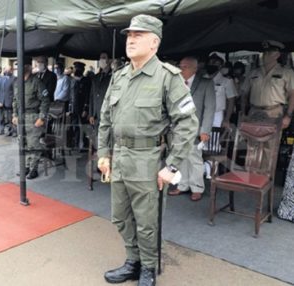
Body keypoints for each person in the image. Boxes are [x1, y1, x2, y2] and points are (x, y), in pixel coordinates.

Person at [97, 15, 198, 286]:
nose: (131, 39)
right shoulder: (118, 77)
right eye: (129, 35)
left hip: (147, 159)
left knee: (146, 221)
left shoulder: (168, 77)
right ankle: (133, 261)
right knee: (120, 216)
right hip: (119, 158)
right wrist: (103, 153)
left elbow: (188, 124)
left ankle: (148, 268)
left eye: (138, 35)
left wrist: (172, 165)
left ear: (154, 42)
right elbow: (105, 117)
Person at [168, 56, 215, 201]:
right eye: (180, 66)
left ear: (195, 68)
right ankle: (182, 185)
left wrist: (205, 130)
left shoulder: (205, 83)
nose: (181, 69)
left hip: (196, 128)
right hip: (177, 127)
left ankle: (197, 188)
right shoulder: (176, 82)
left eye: (185, 67)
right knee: (180, 157)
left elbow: (210, 108)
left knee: (194, 158)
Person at [241, 40, 294, 165]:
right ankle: (251, 177)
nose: (265, 55)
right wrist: (243, 112)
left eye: (269, 52)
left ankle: (264, 179)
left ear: (277, 55)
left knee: (269, 147)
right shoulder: (254, 72)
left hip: (274, 112)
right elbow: (244, 94)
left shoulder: (287, 73)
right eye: (264, 52)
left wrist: (288, 116)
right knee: (252, 146)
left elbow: (293, 95)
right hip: (254, 112)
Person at [12, 56, 49, 180]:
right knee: (23, 143)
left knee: (33, 144)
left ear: (28, 67)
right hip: (21, 116)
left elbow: (45, 101)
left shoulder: (36, 82)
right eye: (17, 66)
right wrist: (14, 114)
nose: (18, 68)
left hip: (33, 116)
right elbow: (15, 100)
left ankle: (34, 169)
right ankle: (26, 167)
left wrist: (42, 117)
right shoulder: (17, 82)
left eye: (21, 66)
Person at [204, 53, 237, 129]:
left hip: (217, 115)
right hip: (202, 114)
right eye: (211, 61)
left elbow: (231, 101)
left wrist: (226, 119)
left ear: (221, 66)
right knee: (199, 139)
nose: (212, 64)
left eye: (215, 62)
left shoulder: (227, 81)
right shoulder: (202, 79)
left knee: (214, 139)